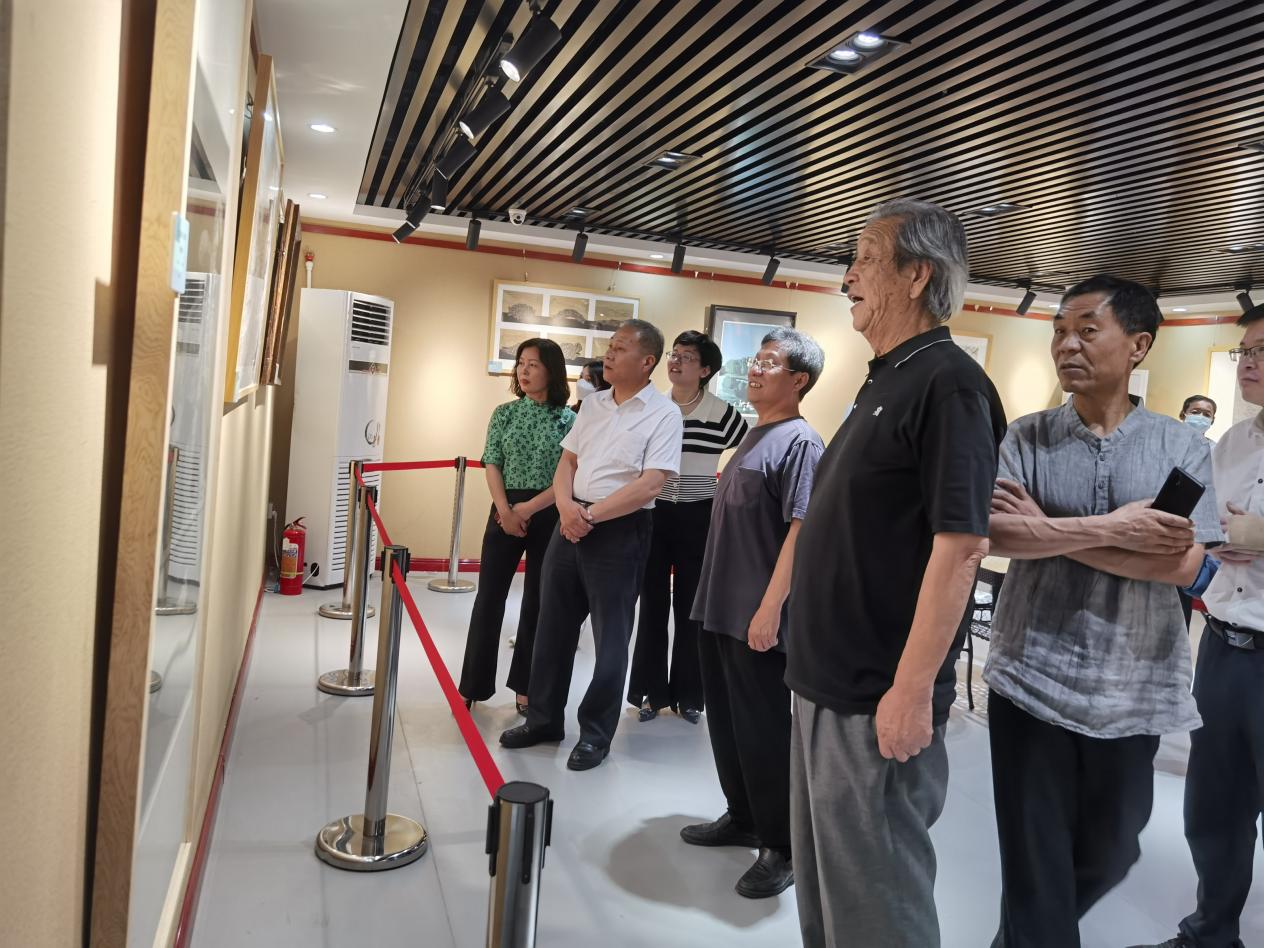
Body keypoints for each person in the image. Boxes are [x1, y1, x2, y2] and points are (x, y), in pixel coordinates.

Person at [785, 198, 1007, 947]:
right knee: (827, 892)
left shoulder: (950, 385)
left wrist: (911, 693)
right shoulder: (887, 378)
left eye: (865, 260)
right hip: (825, 681)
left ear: (917, 276)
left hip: (874, 694)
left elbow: (961, 547)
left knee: (876, 906)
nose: (848, 277)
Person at [984, 275, 1222, 948]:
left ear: (1138, 345)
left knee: (1114, 849)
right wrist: (1118, 529)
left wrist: (1049, 530)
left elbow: (1185, 566)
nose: (1067, 345)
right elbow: (996, 535)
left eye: (1087, 330)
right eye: (1060, 331)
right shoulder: (1026, 437)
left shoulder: (1181, 447)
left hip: (1133, 683)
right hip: (1030, 673)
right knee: (1035, 866)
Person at [499, 320, 682, 771]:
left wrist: (590, 516)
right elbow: (568, 462)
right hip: (570, 523)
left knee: (611, 639)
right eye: (610, 346)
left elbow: (651, 483)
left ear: (647, 361)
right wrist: (566, 508)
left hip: (620, 531)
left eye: (620, 348)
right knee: (551, 628)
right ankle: (543, 719)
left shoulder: (664, 413)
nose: (609, 354)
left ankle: (596, 734)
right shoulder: (594, 403)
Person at [681, 327, 824, 899]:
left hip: (756, 614)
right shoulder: (754, 433)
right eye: (757, 360)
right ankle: (742, 816)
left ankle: (781, 845)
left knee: (763, 730)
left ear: (799, 380)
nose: (756, 370)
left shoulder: (801, 442)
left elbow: (802, 530)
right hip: (719, 605)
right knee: (727, 722)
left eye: (769, 362)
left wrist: (770, 610)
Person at [1138, 305, 1264, 948]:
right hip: (1223, 648)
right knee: (1214, 807)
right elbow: (1187, 520)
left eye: (1263, 351)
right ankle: (1211, 934)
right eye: (1246, 351)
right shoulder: (1233, 444)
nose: (1250, 363)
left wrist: (1258, 534)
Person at [627, 330, 748, 724]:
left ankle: (690, 695)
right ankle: (650, 692)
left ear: (706, 369)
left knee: (693, 606)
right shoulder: (653, 407)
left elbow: (746, 452)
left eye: (687, 357)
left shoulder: (722, 413)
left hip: (700, 515)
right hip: (654, 510)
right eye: (674, 355)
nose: (676, 362)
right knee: (652, 602)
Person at [457, 338, 575, 713]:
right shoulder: (504, 413)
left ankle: (526, 688)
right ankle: (474, 683)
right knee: (489, 598)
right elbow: (492, 462)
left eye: (533, 364)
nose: (524, 370)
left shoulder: (569, 420)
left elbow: (567, 476)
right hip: (503, 509)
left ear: (552, 371)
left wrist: (528, 508)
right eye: (521, 362)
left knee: (538, 601)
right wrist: (506, 510)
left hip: (549, 511)